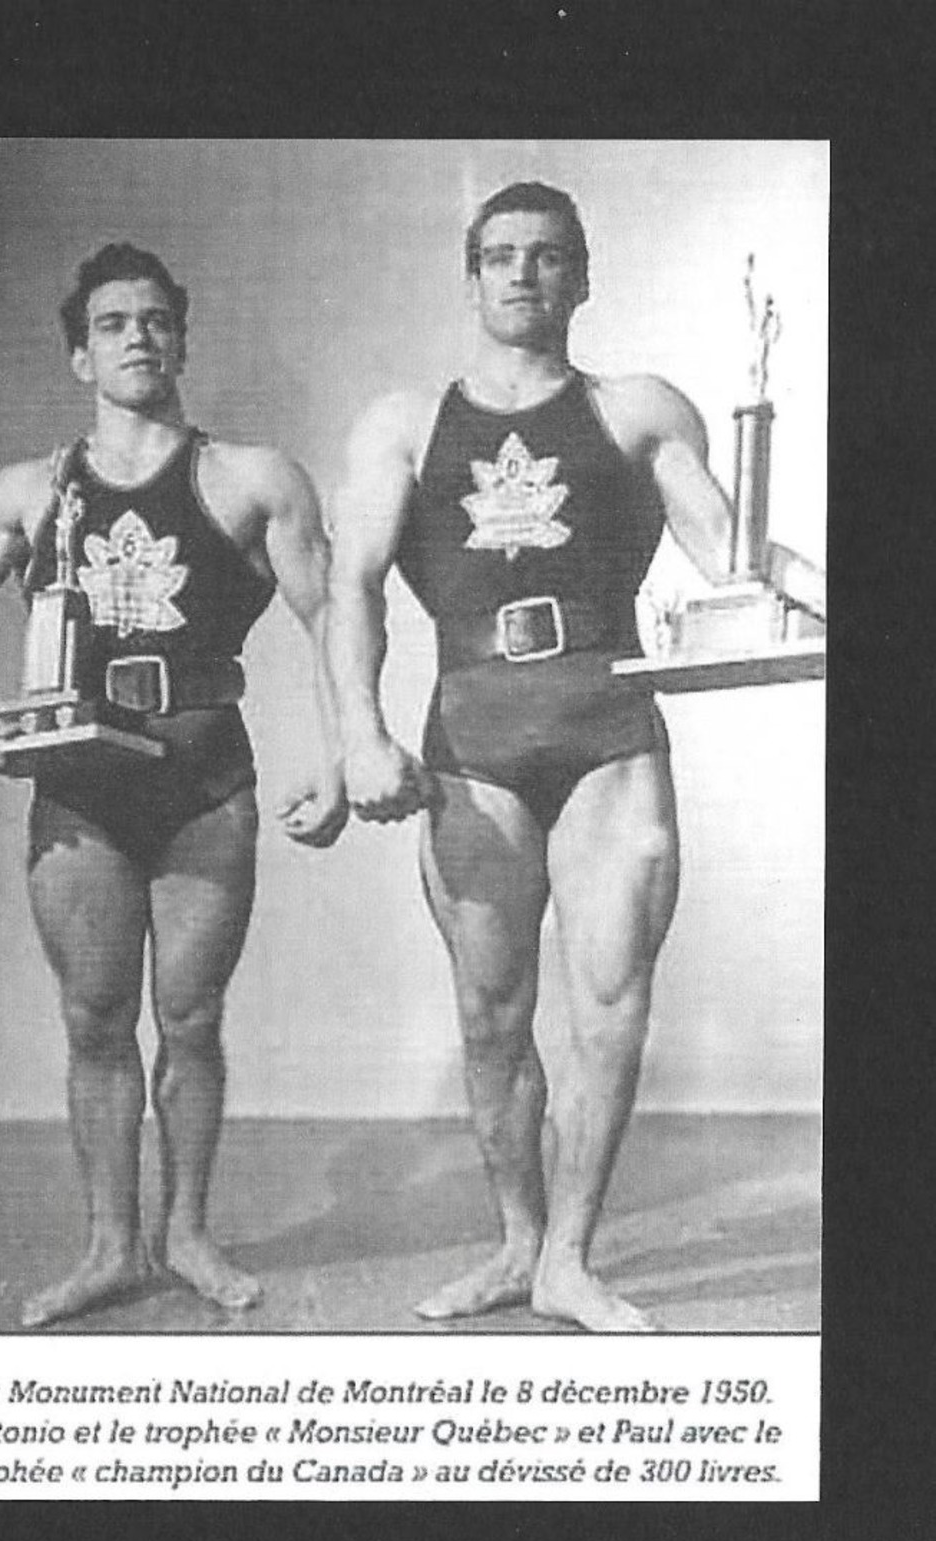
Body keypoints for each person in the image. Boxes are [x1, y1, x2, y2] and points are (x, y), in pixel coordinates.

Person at [328, 182, 733, 1331]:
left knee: (610, 1006)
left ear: (583, 277)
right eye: (500, 256)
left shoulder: (637, 409)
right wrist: (359, 732)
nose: (522, 274)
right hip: (472, 738)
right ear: (470, 280)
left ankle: (570, 1258)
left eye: (548, 256)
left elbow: (728, 555)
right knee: (490, 1015)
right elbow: (352, 587)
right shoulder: (404, 424)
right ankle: (516, 1243)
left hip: (608, 730)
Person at [0, 242, 346, 1328]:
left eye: (156, 319)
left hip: (206, 778)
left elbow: (334, 615)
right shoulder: (28, 492)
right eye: (113, 323)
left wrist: (349, 752)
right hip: (81, 789)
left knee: (193, 1016)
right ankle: (113, 1245)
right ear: (80, 356)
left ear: (183, 338)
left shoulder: (250, 478)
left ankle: (189, 1233)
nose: (138, 336)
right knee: (94, 1016)